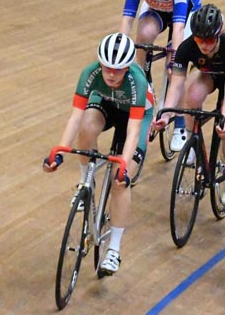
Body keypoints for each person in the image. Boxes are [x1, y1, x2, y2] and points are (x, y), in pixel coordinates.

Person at [43, 33, 153, 276]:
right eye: (107, 67)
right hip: (106, 104)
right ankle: (86, 180)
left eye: (118, 69)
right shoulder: (90, 73)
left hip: (136, 118)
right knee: (86, 126)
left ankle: (113, 249)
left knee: (119, 181)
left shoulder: (137, 81)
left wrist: (124, 165)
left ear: (127, 67)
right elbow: (75, 117)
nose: (111, 74)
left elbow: (133, 131)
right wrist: (59, 151)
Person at [152, 4, 225, 206]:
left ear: (219, 33)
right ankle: (191, 138)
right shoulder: (187, 47)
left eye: (209, 40)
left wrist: (224, 122)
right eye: (199, 40)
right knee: (193, 95)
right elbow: (176, 85)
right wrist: (165, 115)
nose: (204, 45)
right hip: (209, 72)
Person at [120, 0, 202, 151]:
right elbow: (127, 20)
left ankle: (180, 126)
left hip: (186, 12)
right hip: (156, 8)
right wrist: (121, 49)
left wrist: (175, 58)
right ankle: (141, 75)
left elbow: (179, 27)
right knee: (144, 35)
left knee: (176, 67)